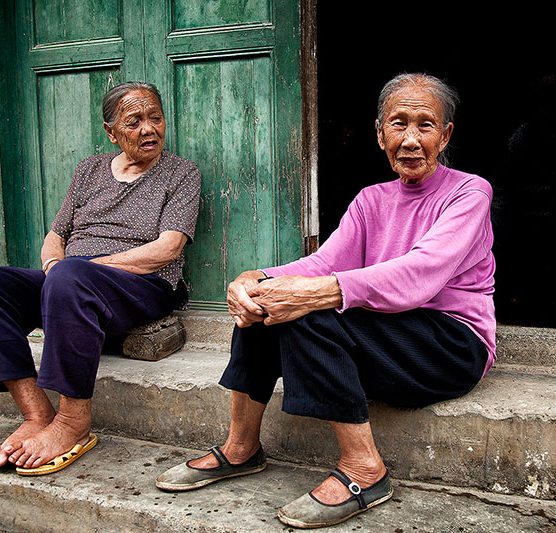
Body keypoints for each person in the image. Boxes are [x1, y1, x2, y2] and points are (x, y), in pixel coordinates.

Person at [156, 73, 495, 528]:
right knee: (265, 308)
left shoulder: (469, 192)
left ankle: (365, 471)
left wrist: (312, 295)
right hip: (387, 340)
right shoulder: (371, 199)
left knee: (309, 315)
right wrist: (256, 280)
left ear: (446, 134)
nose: (411, 139)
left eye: (425, 125)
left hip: (449, 344)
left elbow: (422, 273)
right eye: (398, 124)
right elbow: (324, 262)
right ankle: (241, 448)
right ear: (380, 134)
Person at [0, 82, 201, 476]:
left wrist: (84, 269)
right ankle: (37, 415)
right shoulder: (88, 170)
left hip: (143, 285)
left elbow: (167, 249)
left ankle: (73, 423)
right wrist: (55, 266)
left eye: (155, 117)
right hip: (73, 281)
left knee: (72, 275)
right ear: (111, 132)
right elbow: (57, 235)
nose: (148, 129)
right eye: (134, 121)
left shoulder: (181, 173)